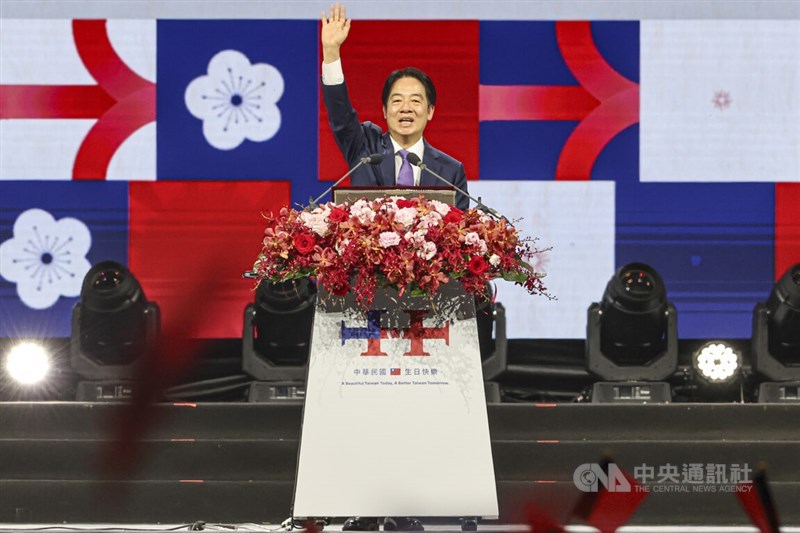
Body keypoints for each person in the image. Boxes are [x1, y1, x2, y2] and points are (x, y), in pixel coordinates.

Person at [320, 2, 470, 211]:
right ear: (384, 110)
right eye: (397, 100)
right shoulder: (365, 150)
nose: (406, 108)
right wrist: (331, 52)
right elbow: (340, 116)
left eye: (416, 101)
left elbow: (461, 231)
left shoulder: (450, 170)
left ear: (430, 111)